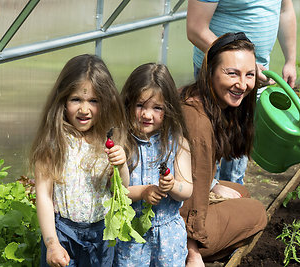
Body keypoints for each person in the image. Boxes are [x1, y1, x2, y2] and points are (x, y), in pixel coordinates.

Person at [30, 54, 129, 267]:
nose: (84, 109)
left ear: (106, 102)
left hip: (101, 235)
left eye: (93, 101)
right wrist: (52, 243)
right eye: (76, 99)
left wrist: (122, 167)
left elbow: (120, 191)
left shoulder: (108, 140)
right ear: (63, 100)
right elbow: (44, 197)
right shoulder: (54, 142)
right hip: (62, 234)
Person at [180, 32, 268, 266]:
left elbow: (194, 174)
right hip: (176, 223)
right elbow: (194, 188)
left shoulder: (200, 99)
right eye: (232, 73)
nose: (242, 84)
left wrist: (214, 185)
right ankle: (192, 249)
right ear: (210, 72)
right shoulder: (198, 121)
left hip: (178, 195)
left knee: (240, 192)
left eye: (249, 74)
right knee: (257, 211)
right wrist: (192, 252)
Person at [186, 0, 297, 185]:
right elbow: (196, 29)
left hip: (253, 75)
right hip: (221, 74)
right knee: (208, 145)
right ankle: (205, 200)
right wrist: (243, 65)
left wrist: (290, 60)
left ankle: (233, 194)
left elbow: (285, 11)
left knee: (237, 146)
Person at [113, 63, 193, 266]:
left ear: (169, 110)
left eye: (157, 108)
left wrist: (172, 185)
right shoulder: (121, 142)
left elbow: (187, 190)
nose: (147, 115)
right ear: (128, 103)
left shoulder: (177, 142)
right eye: (140, 106)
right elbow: (113, 191)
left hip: (168, 235)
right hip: (132, 235)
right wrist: (143, 192)